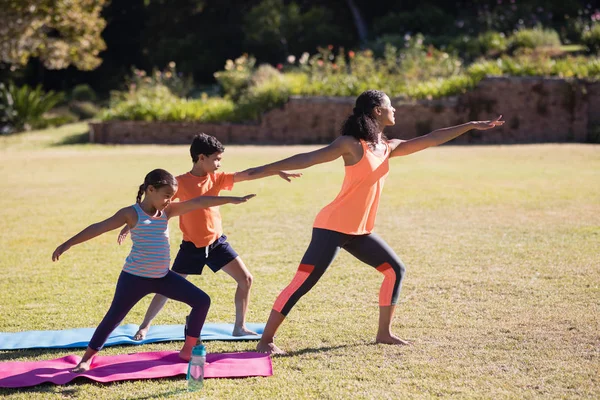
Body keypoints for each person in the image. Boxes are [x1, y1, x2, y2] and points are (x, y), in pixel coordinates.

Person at [248, 89, 504, 354]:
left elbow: (431, 138)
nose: (395, 110)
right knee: (303, 282)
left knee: (395, 270)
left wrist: (472, 125)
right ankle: (265, 340)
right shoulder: (351, 144)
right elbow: (310, 157)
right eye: (390, 106)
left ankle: (384, 333)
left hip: (358, 231)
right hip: (331, 227)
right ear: (377, 111)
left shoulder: (387, 147)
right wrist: (268, 169)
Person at [52, 168, 255, 372]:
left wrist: (230, 199)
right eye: (166, 196)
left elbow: (198, 202)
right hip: (134, 279)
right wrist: (68, 244)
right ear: (150, 189)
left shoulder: (167, 211)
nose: (169, 200)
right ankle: (86, 359)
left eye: (172, 197)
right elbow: (98, 227)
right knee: (114, 317)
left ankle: (188, 350)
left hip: (162, 278)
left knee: (202, 301)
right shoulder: (131, 213)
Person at [118, 133, 300, 340]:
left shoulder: (218, 178)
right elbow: (154, 205)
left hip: (216, 244)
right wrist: (130, 224)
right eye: (216, 159)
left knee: (246, 279)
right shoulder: (178, 184)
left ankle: (239, 327)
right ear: (201, 158)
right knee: (166, 287)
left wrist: (275, 171)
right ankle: (144, 326)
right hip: (190, 247)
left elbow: (248, 173)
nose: (220, 164)